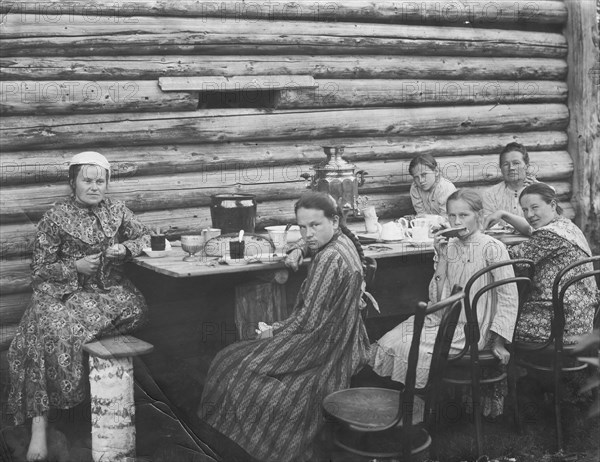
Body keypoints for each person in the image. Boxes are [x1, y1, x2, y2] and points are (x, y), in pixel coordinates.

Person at [198, 192, 370, 462]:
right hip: (342, 338)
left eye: (315, 225)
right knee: (232, 358)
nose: (308, 233)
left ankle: (252, 449)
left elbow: (308, 322)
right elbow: (311, 313)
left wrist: (273, 331)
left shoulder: (329, 259)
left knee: (234, 364)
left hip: (324, 347)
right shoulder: (343, 241)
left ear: (335, 221)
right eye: (302, 227)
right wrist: (300, 247)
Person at [7, 151, 150, 461]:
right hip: (64, 293)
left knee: (55, 326)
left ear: (107, 184)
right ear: (73, 182)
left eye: (101, 181)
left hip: (110, 296)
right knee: (42, 330)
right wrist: (76, 266)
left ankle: (41, 427)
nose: (94, 187)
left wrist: (124, 248)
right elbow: (40, 268)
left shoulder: (117, 210)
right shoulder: (55, 216)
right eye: (87, 180)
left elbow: (143, 237)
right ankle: (40, 427)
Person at [370, 189, 519, 416]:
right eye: (452, 216)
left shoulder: (493, 247)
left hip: (473, 328)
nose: (457, 222)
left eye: (464, 215)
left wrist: (499, 341)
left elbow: (509, 296)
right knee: (391, 340)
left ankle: (422, 410)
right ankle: (410, 407)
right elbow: (436, 297)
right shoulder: (449, 246)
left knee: (411, 347)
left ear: (479, 216)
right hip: (443, 318)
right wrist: (440, 257)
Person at [484, 183, 597, 344]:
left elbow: (507, 260)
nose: (529, 214)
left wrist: (479, 240)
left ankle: (497, 364)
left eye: (535, 207)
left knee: (493, 319)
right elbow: (530, 229)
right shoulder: (564, 225)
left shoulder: (549, 235)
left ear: (552, 205)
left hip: (560, 322)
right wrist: (503, 214)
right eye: (524, 210)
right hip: (580, 316)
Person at [482, 142, 537, 224]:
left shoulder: (543, 191)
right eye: (506, 164)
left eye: (516, 163)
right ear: (501, 168)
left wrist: (539, 191)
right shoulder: (490, 194)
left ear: (527, 166)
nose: (511, 168)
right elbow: (489, 225)